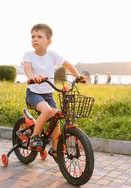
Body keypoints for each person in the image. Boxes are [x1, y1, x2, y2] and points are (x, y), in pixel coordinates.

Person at [22, 23, 84, 154]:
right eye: (32, 36)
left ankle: (56, 149)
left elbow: (67, 64)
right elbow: (27, 68)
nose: (35, 39)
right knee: (47, 110)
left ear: (48, 41)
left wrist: (78, 76)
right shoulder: (29, 55)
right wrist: (33, 77)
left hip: (48, 95)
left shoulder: (52, 55)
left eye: (39, 36)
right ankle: (34, 137)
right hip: (34, 93)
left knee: (56, 117)